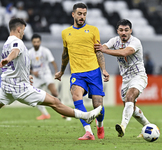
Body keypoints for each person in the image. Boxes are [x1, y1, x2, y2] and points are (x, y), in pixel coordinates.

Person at [0, 18, 103, 142]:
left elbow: (15, 64)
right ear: (19, 29)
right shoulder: (16, 42)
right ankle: (86, 116)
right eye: (23, 30)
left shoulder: (6, 42)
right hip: (19, 88)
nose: (24, 32)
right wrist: (8, 59)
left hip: (6, 86)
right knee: (55, 102)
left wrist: (25, 75)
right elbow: (15, 53)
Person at [55, 3, 109, 140]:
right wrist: (61, 71)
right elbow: (65, 54)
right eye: (79, 14)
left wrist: (103, 69)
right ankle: (88, 132)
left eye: (84, 14)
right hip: (77, 73)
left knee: (98, 107)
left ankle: (100, 125)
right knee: (75, 97)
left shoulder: (93, 30)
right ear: (73, 14)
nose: (82, 17)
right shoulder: (65, 33)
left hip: (94, 72)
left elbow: (99, 52)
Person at [94, 19, 150, 137]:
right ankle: (149, 126)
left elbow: (124, 53)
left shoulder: (136, 42)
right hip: (125, 79)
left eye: (126, 30)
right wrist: (101, 49)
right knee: (131, 107)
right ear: (117, 31)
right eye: (121, 30)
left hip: (138, 76)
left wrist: (104, 50)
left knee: (130, 96)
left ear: (131, 31)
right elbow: (103, 47)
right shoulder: (115, 41)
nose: (123, 33)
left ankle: (123, 126)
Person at [28, 34, 71, 121]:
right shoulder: (29, 53)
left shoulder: (45, 51)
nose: (36, 43)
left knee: (54, 93)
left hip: (46, 74)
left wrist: (56, 72)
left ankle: (64, 112)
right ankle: (45, 114)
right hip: (36, 77)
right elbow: (26, 66)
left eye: (37, 41)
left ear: (40, 42)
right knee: (35, 96)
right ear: (32, 42)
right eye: (34, 42)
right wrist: (33, 72)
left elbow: (53, 62)